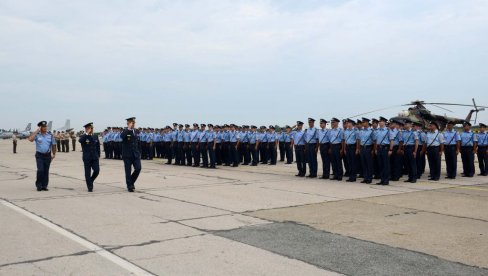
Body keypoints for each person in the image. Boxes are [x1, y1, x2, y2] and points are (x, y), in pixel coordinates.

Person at [28, 121, 57, 191]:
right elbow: (30, 139)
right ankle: (39, 185)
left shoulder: (50, 135)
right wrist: (36, 131)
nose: (45, 128)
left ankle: (44, 185)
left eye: (46, 126)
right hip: (39, 155)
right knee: (40, 170)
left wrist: (54, 153)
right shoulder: (37, 135)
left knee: (46, 171)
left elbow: (53, 144)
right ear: (40, 127)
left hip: (48, 155)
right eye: (43, 127)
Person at [120, 117, 141, 192]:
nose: (133, 124)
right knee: (128, 171)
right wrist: (128, 129)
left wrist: (139, 153)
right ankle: (129, 186)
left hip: (135, 154)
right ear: (128, 123)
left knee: (138, 168)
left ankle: (131, 181)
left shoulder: (136, 131)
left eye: (134, 123)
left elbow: (138, 142)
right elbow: (122, 137)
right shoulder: (125, 131)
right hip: (127, 155)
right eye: (132, 123)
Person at [79, 122, 100, 192]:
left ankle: (90, 180)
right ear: (86, 129)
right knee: (87, 173)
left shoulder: (95, 136)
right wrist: (87, 134)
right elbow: (80, 141)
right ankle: (90, 187)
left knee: (97, 170)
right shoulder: (84, 136)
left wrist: (98, 155)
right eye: (89, 128)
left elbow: (98, 147)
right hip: (87, 157)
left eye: (91, 128)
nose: (91, 129)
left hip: (94, 157)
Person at [373, 117, 390, 185]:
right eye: (379, 121)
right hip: (379, 148)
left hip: (385, 148)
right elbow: (376, 141)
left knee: (385, 165)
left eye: (381, 121)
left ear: (385, 122)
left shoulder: (388, 130)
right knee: (380, 165)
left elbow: (391, 140)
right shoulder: (377, 131)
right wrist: (376, 149)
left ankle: (386, 180)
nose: (380, 122)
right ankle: (382, 179)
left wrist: (390, 149)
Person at [358, 118, 374, 184]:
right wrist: (358, 148)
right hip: (362, 148)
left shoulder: (371, 131)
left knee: (369, 164)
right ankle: (365, 178)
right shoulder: (361, 131)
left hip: (368, 148)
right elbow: (359, 140)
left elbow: (374, 141)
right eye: (362, 122)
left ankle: (369, 178)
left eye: (364, 122)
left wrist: (373, 149)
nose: (363, 123)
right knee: (364, 164)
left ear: (367, 123)